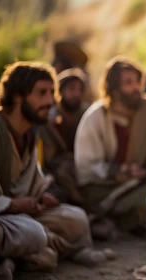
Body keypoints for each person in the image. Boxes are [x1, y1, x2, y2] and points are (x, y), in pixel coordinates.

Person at [0, 62, 113, 279]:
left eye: (52, 93)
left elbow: (31, 182)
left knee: (76, 218)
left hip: (20, 216)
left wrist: (41, 196)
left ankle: (14, 258)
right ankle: (22, 256)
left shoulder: (30, 133)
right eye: (42, 93)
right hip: (1, 216)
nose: (51, 101)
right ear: (18, 96)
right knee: (33, 235)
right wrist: (11, 204)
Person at [75, 56, 146, 238]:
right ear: (113, 89)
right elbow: (86, 166)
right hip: (104, 188)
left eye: (137, 81)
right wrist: (118, 171)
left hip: (144, 183)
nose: (136, 87)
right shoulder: (95, 117)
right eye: (128, 83)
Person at [38, 68, 89, 204]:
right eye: (72, 89)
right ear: (60, 91)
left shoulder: (87, 114)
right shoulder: (48, 118)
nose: (76, 94)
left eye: (79, 90)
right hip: (57, 167)